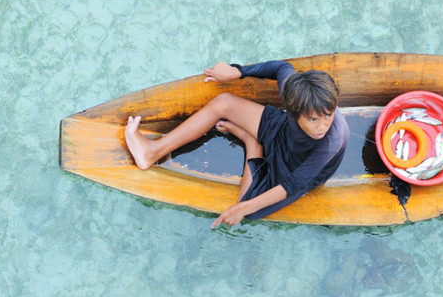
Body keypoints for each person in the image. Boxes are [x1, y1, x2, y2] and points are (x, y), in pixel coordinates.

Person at [123, 60, 349, 227]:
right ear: (293, 109)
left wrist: (241, 208)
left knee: (249, 207)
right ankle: (152, 151)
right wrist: (237, 72)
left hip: (297, 168)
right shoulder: (297, 93)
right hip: (283, 132)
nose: (323, 126)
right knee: (223, 103)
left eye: (328, 115)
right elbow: (282, 68)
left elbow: (291, 185)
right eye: (313, 119)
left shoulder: (329, 141)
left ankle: (252, 142)